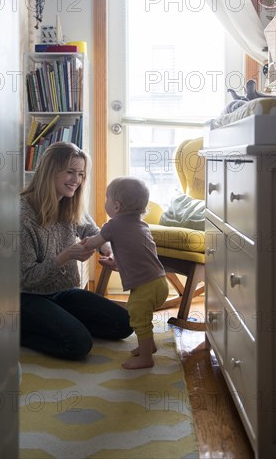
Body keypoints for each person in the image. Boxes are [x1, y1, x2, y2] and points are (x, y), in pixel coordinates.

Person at [20, 142, 133, 360]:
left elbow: (92, 231)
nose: (76, 180)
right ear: (49, 171)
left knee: (125, 324)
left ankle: (59, 321)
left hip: (61, 292)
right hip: (25, 297)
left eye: (81, 174)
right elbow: (26, 277)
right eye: (70, 172)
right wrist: (65, 256)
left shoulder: (69, 203)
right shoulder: (22, 214)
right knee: (78, 344)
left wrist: (107, 249)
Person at [82, 176, 169, 369]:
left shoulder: (112, 226)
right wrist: (117, 262)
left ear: (117, 205)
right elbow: (136, 255)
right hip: (160, 282)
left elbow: (95, 242)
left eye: (106, 199)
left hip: (145, 287)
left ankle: (146, 358)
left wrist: (82, 244)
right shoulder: (142, 225)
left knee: (138, 318)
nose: (105, 202)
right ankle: (149, 345)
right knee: (143, 317)